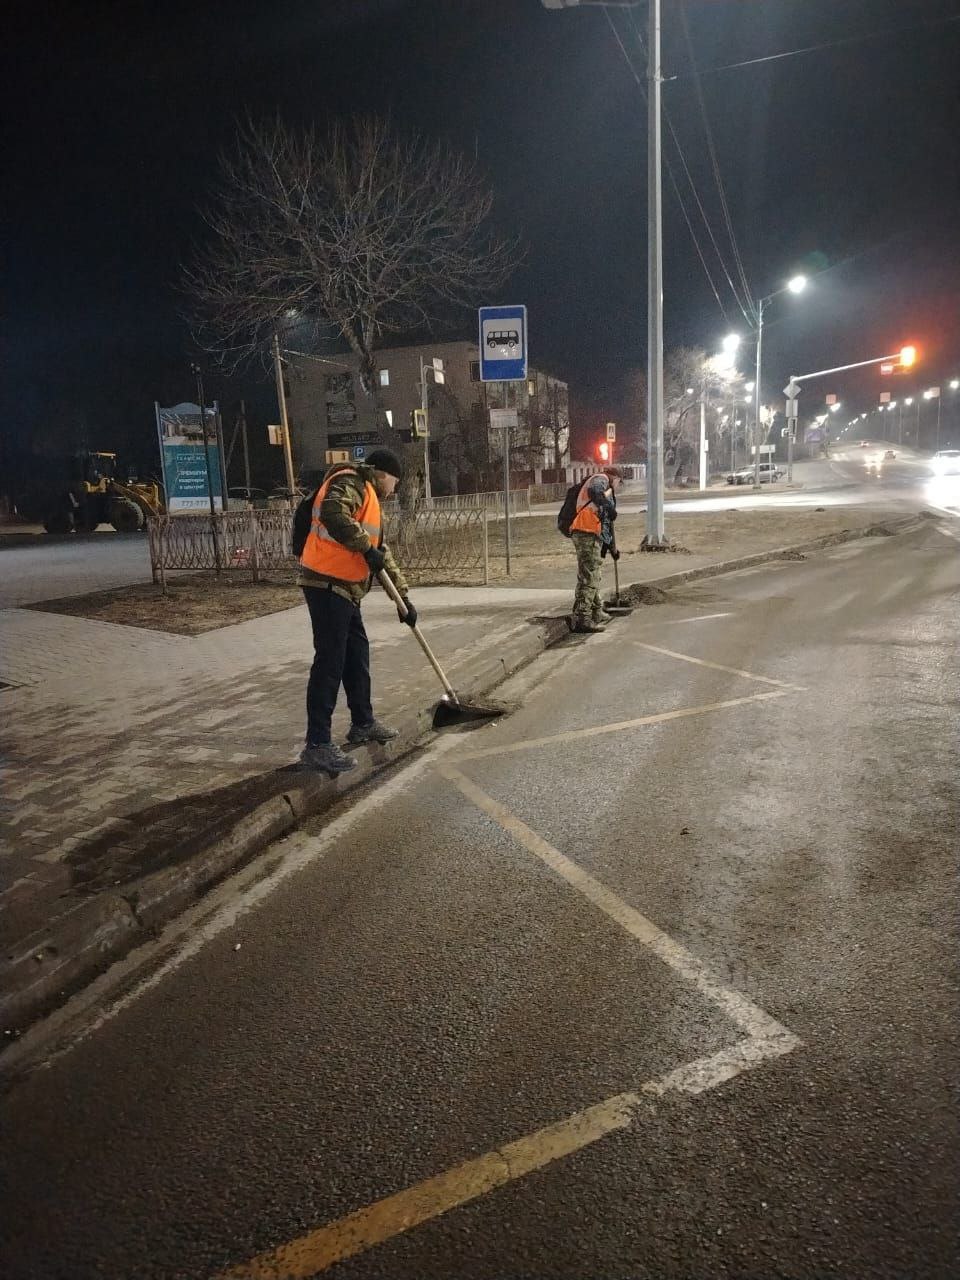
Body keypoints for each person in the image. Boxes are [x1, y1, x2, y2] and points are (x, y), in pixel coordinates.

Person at [297, 448, 417, 774]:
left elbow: (380, 553)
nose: (396, 488)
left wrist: (403, 600)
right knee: (330, 662)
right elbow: (334, 514)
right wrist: (365, 547)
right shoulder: (350, 482)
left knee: (356, 657)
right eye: (396, 481)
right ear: (382, 474)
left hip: (346, 589)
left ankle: (362, 723)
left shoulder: (370, 499)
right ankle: (317, 744)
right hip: (325, 583)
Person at [569, 466, 623, 633]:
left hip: (591, 533)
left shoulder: (606, 492)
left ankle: (595, 611)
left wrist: (611, 548)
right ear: (615, 477)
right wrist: (609, 507)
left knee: (594, 575)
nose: (619, 486)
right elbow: (595, 491)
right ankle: (583, 618)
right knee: (589, 576)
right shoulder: (601, 479)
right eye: (620, 482)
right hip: (586, 531)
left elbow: (606, 524)